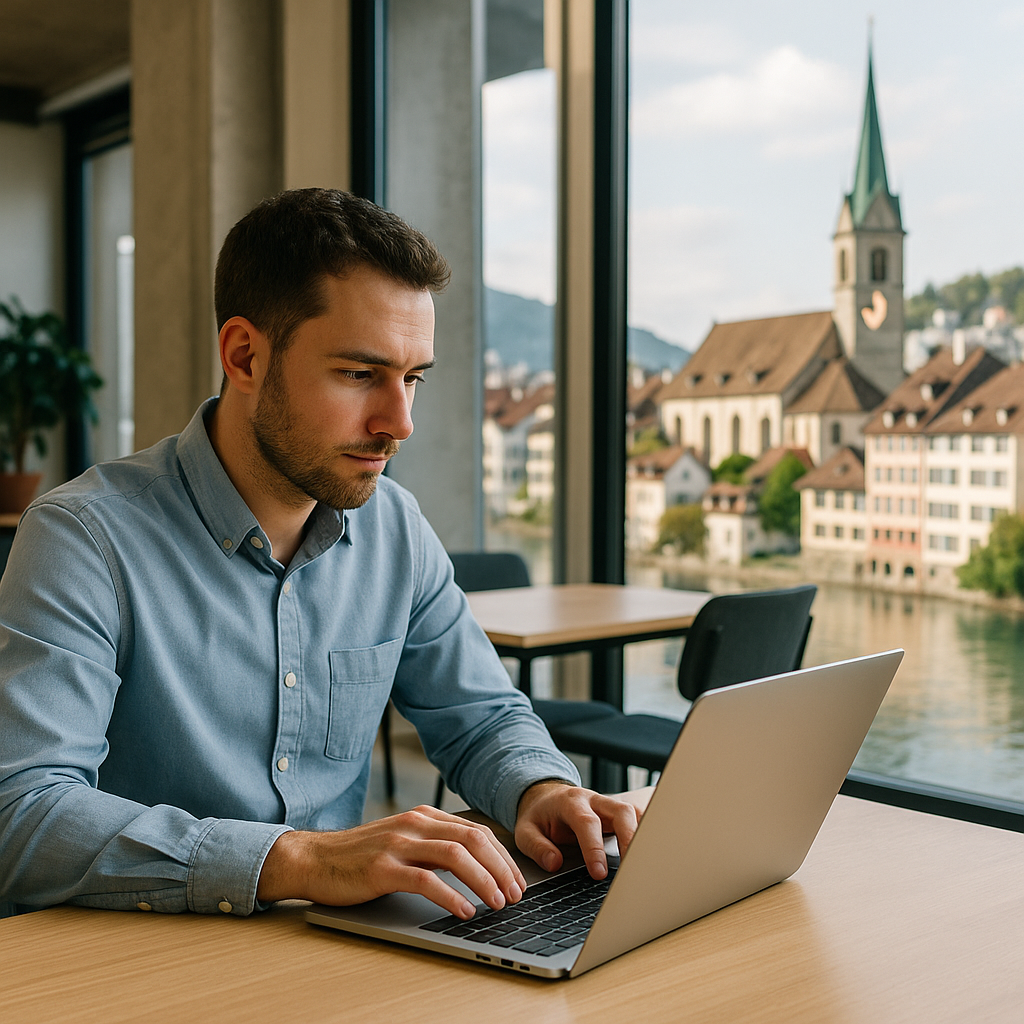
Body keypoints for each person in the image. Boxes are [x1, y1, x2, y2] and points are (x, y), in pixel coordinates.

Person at [0, 188, 640, 920]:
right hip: (141, 952)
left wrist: (542, 789)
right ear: (245, 356)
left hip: (340, 943)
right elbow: (21, 812)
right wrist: (299, 860)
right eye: (360, 374)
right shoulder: (83, 538)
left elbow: (482, 717)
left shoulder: (395, 528)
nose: (399, 422)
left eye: (413, 379)